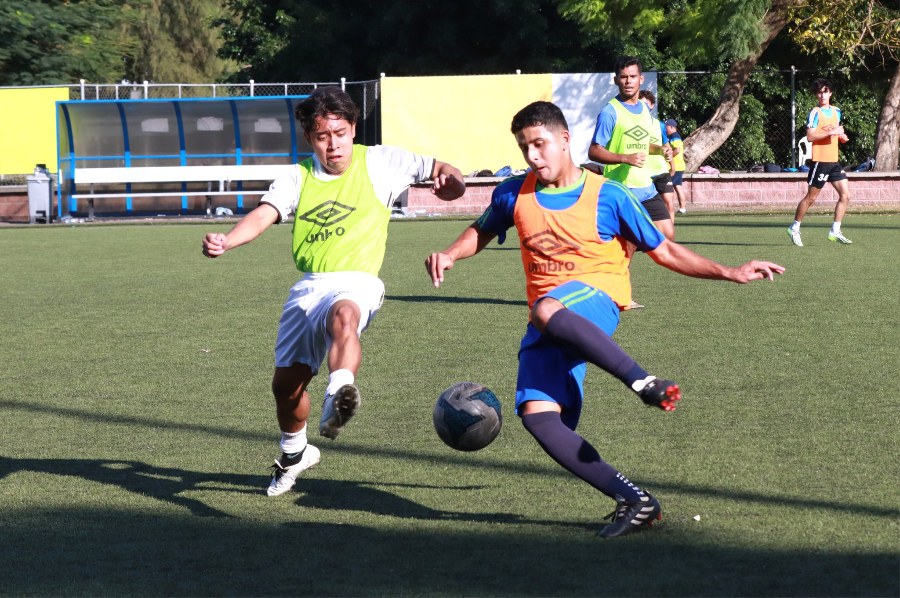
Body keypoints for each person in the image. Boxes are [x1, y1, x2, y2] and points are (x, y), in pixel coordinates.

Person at [425, 101, 784, 538]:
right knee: (538, 416)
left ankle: (644, 382)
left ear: (564, 140)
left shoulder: (609, 195)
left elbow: (664, 251)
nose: (533, 156)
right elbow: (480, 230)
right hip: (549, 321)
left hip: (597, 299)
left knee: (545, 307)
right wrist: (450, 253)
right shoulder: (512, 193)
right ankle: (635, 500)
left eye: (540, 144)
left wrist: (729, 271)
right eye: (525, 148)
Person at [202, 86, 466, 497]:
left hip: (359, 280)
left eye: (340, 133)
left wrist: (453, 183)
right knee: (286, 389)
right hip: (308, 286)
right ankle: (294, 453)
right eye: (323, 136)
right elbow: (262, 215)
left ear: (354, 129)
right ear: (310, 138)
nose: (334, 145)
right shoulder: (297, 177)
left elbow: (446, 173)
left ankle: (340, 388)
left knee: (346, 317)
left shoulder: (381, 162)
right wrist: (228, 240)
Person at [589, 57, 674, 242]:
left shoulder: (644, 109)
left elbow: (641, 145)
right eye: (623, 77)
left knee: (667, 234)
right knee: (625, 246)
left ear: (641, 79)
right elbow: (594, 151)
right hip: (621, 189)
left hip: (646, 187)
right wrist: (625, 158)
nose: (628, 81)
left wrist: (660, 150)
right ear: (616, 80)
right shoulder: (610, 112)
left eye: (633, 76)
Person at [788, 78, 853, 246]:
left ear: (830, 92)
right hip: (820, 161)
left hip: (834, 162)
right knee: (811, 198)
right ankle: (794, 227)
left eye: (825, 91)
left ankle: (835, 230)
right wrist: (832, 132)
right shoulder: (815, 112)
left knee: (845, 196)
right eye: (819, 92)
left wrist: (841, 136)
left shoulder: (837, 111)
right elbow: (810, 136)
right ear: (816, 95)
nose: (822, 95)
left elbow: (837, 131)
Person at [637, 90, 678, 223]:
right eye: (641, 103)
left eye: (646, 104)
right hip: (643, 173)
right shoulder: (633, 124)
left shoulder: (659, 125)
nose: (643, 106)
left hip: (660, 170)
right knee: (643, 209)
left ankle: (669, 238)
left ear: (652, 106)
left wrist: (672, 166)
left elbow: (667, 148)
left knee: (668, 203)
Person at [665, 119, 688, 214]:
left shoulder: (674, 136)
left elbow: (677, 149)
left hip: (676, 167)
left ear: (671, 127)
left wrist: (669, 157)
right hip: (680, 167)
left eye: (666, 127)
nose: (665, 129)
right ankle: (682, 208)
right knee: (678, 186)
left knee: (667, 186)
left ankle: (667, 207)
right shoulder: (673, 136)